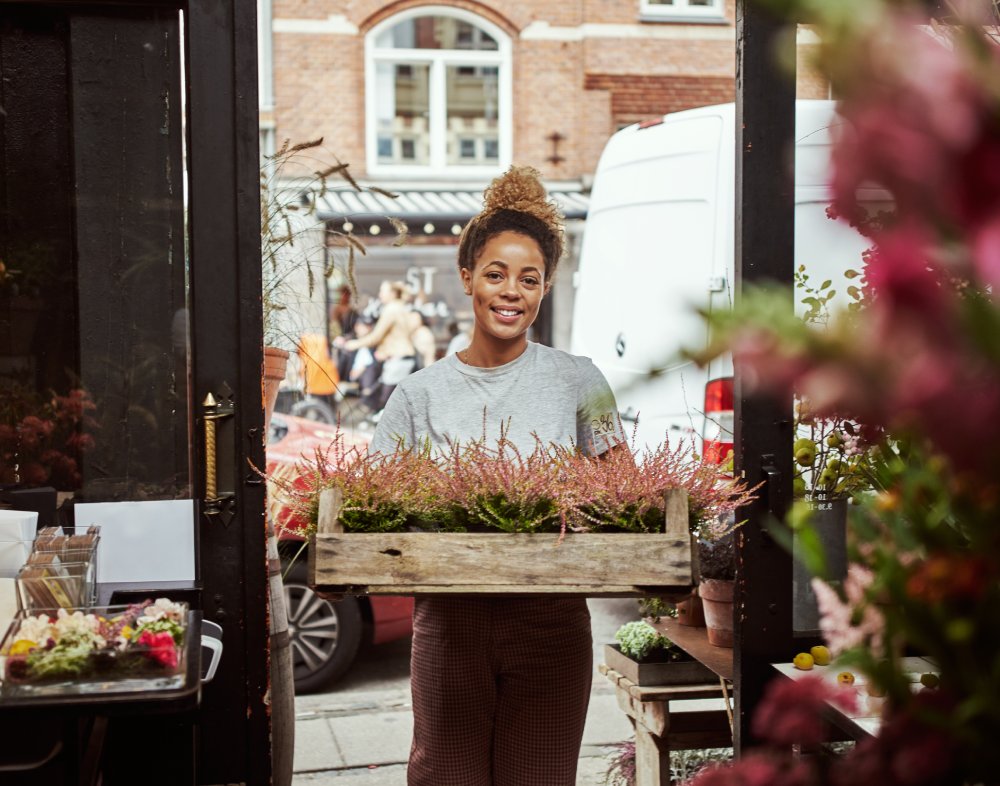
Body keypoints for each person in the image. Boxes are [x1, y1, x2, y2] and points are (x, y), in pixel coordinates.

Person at [369, 165, 625, 786]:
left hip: (552, 625)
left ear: (546, 288)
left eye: (529, 278)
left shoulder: (580, 380)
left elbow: (626, 496)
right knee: (445, 777)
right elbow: (373, 513)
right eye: (496, 273)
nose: (511, 291)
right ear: (467, 279)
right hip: (450, 626)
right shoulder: (417, 395)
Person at [335, 280, 416, 414]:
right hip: (400, 359)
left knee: (387, 406)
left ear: (392, 293)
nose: (379, 295)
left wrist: (353, 344)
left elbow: (376, 336)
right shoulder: (400, 307)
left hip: (398, 361)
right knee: (390, 404)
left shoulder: (391, 309)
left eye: (382, 291)